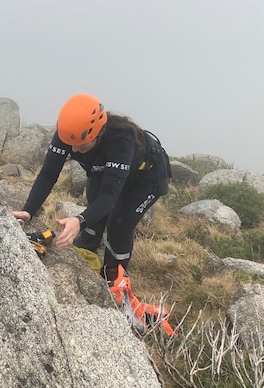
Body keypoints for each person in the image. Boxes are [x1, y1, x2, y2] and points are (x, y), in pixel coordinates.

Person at [12, 93, 171, 291]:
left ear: (99, 132)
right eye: (72, 144)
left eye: (83, 144)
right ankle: (86, 253)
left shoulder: (121, 141)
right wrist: (28, 211)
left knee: (118, 228)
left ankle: (115, 279)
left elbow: (109, 196)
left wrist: (78, 220)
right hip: (104, 170)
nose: (76, 150)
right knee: (93, 215)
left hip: (145, 179)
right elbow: (48, 174)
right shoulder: (69, 134)